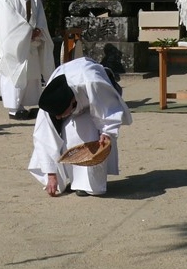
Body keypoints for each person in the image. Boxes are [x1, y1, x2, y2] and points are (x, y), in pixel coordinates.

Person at [28, 57, 132, 197]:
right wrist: (51, 175)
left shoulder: (93, 82)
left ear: (71, 103)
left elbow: (108, 108)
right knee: (68, 131)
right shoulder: (50, 100)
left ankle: (88, 184)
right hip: (73, 94)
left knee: (87, 133)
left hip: (94, 95)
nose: (58, 118)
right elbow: (44, 137)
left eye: (61, 114)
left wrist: (107, 132)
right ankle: (70, 178)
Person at [0, 0, 55, 120]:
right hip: (16, 44)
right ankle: (14, 108)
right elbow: (9, 21)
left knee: (30, 73)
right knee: (15, 72)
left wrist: (39, 29)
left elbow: (39, 12)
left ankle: (23, 104)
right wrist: (28, 32)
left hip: (31, 41)